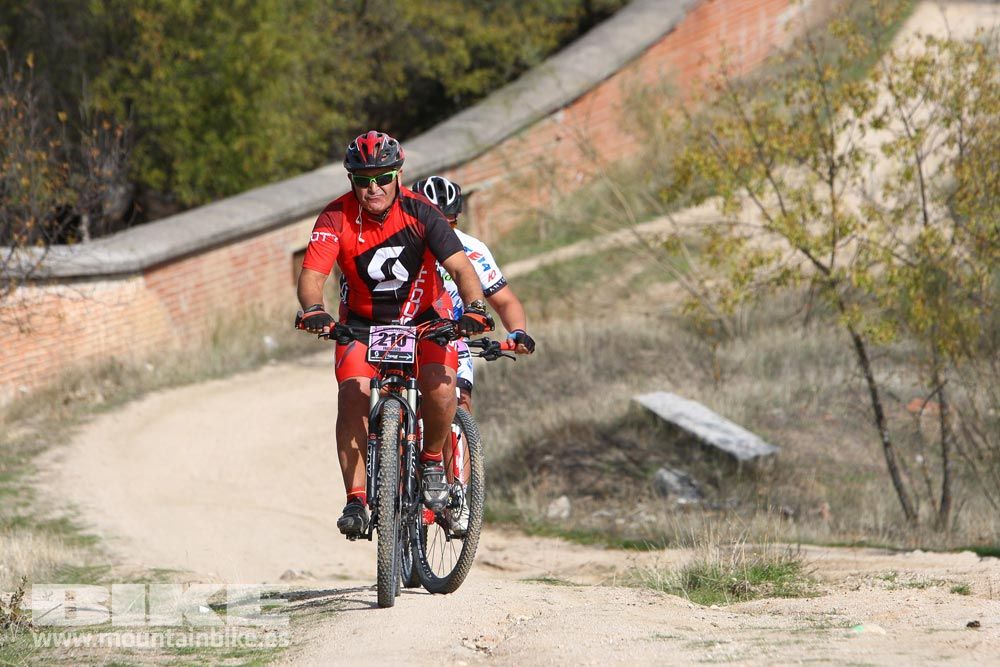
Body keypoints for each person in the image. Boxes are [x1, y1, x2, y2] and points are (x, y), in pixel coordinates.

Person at [296, 130, 493, 539]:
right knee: (352, 392)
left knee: (442, 389)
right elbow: (312, 277)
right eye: (364, 179)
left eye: (383, 177)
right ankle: (355, 499)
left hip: (424, 318)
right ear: (351, 180)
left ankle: (433, 461)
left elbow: (460, 268)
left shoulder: (422, 212)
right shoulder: (334, 217)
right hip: (364, 324)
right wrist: (314, 309)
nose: (374, 188)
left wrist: (474, 308)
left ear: (398, 174)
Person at [410, 175, 535, 414]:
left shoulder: (472, 250)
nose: (442, 233)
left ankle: (462, 449)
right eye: (433, 224)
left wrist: (518, 332)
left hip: (451, 338)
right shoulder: (398, 245)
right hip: (404, 334)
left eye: (450, 225)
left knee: (461, 404)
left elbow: (505, 301)